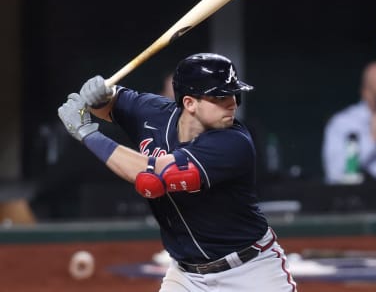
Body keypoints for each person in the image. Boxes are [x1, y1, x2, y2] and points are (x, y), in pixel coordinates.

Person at [57, 53, 297, 292]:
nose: (232, 102)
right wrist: (99, 96)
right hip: (187, 276)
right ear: (190, 103)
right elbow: (110, 104)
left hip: (250, 271)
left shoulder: (234, 142)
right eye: (220, 96)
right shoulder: (153, 112)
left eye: (234, 94)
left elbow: (154, 177)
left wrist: (88, 135)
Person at [322, 60, 376, 184]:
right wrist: (372, 139)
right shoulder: (344, 123)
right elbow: (335, 173)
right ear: (366, 92)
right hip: (355, 197)